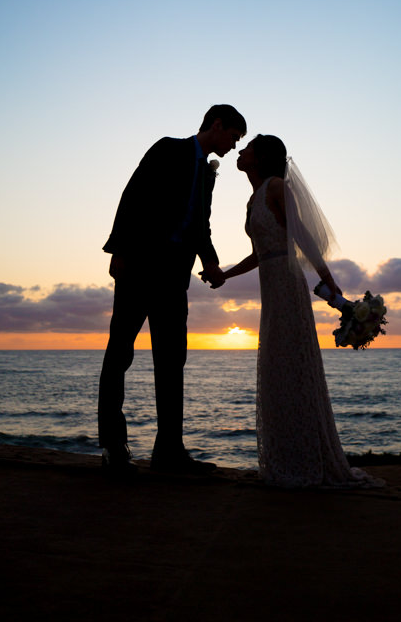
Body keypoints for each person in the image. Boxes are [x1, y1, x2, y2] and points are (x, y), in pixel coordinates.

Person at [98, 104, 246, 478]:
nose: (233, 145)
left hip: (173, 279)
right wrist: (118, 251)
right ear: (217, 125)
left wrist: (210, 262)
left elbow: (201, 226)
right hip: (138, 268)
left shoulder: (208, 175)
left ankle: (169, 452)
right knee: (120, 355)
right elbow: (132, 196)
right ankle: (114, 448)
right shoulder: (168, 148)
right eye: (233, 136)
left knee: (171, 361)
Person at [222, 134, 379, 488]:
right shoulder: (252, 198)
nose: (240, 152)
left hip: (288, 287)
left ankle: (307, 459)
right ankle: (285, 458)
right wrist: (224, 275)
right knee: (277, 366)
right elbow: (259, 253)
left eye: (247, 149)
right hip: (270, 286)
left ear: (260, 158)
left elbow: (302, 237)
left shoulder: (277, 186)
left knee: (293, 363)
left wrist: (329, 280)